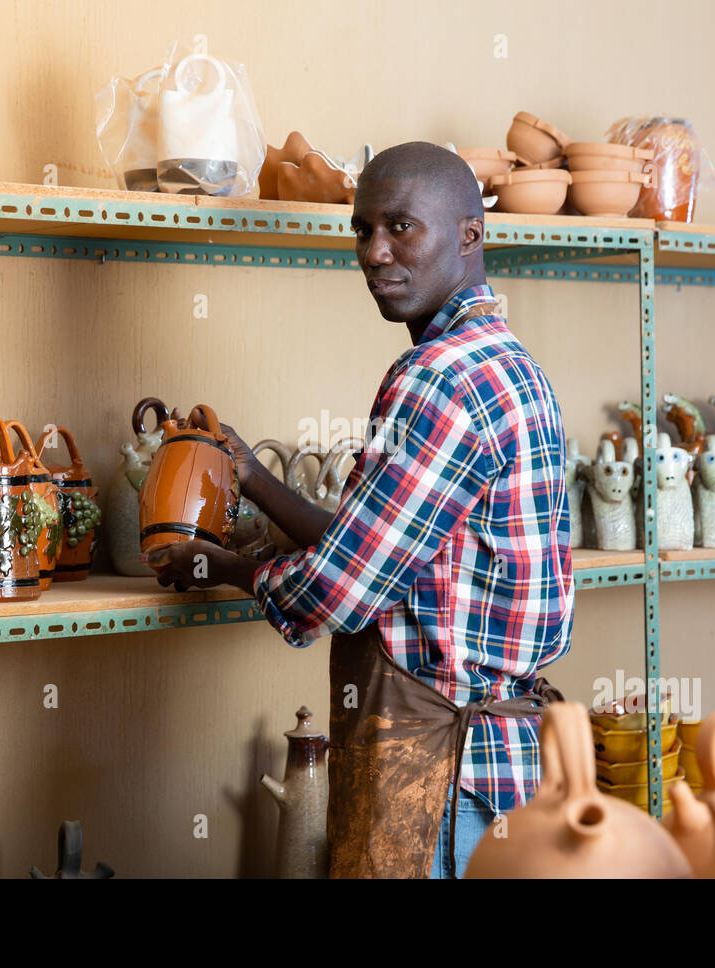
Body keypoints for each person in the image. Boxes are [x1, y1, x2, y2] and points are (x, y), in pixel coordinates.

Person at [147, 141, 574, 878]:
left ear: (471, 235)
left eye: (402, 227)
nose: (375, 253)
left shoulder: (436, 378)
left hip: (441, 768)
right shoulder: (506, 362)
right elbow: (396, 550)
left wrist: (223, 565)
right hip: (498, 765)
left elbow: (344, 588)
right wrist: (249, 475)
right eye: (362, 228)